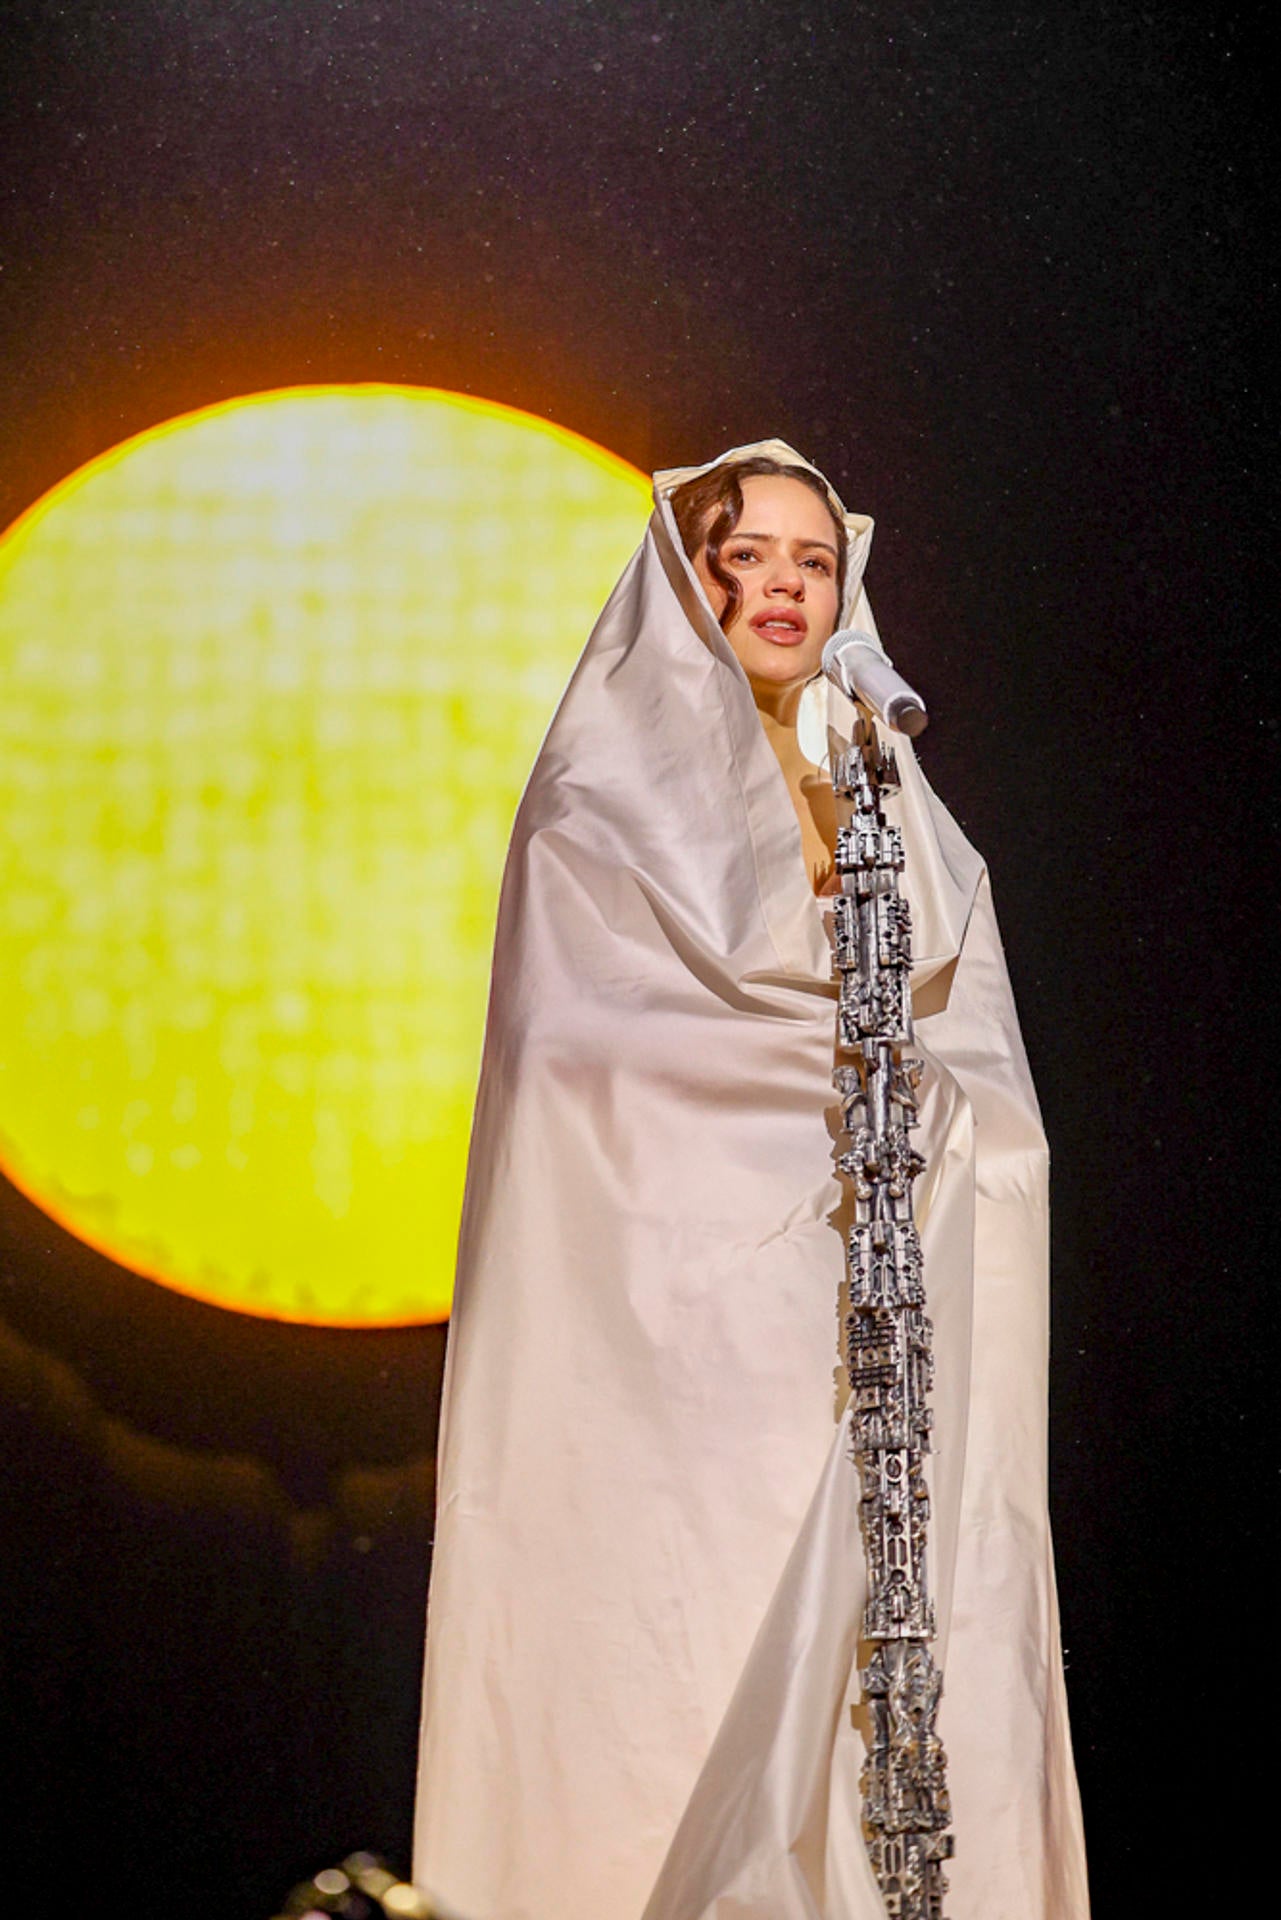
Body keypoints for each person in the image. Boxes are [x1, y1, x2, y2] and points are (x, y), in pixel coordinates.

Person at [412, 440, 1090, 1920]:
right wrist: (807, 1102)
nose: (784, 586)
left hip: (880, 1287)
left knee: (894, 1622)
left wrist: (917, 1123)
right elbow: (588, 1062)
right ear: (689, 574)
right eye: (749, 556)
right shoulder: (608, 793)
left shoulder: (876, 776)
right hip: (693, 1320)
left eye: (811, 560)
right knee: (700, 1618)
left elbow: (959, 1040)